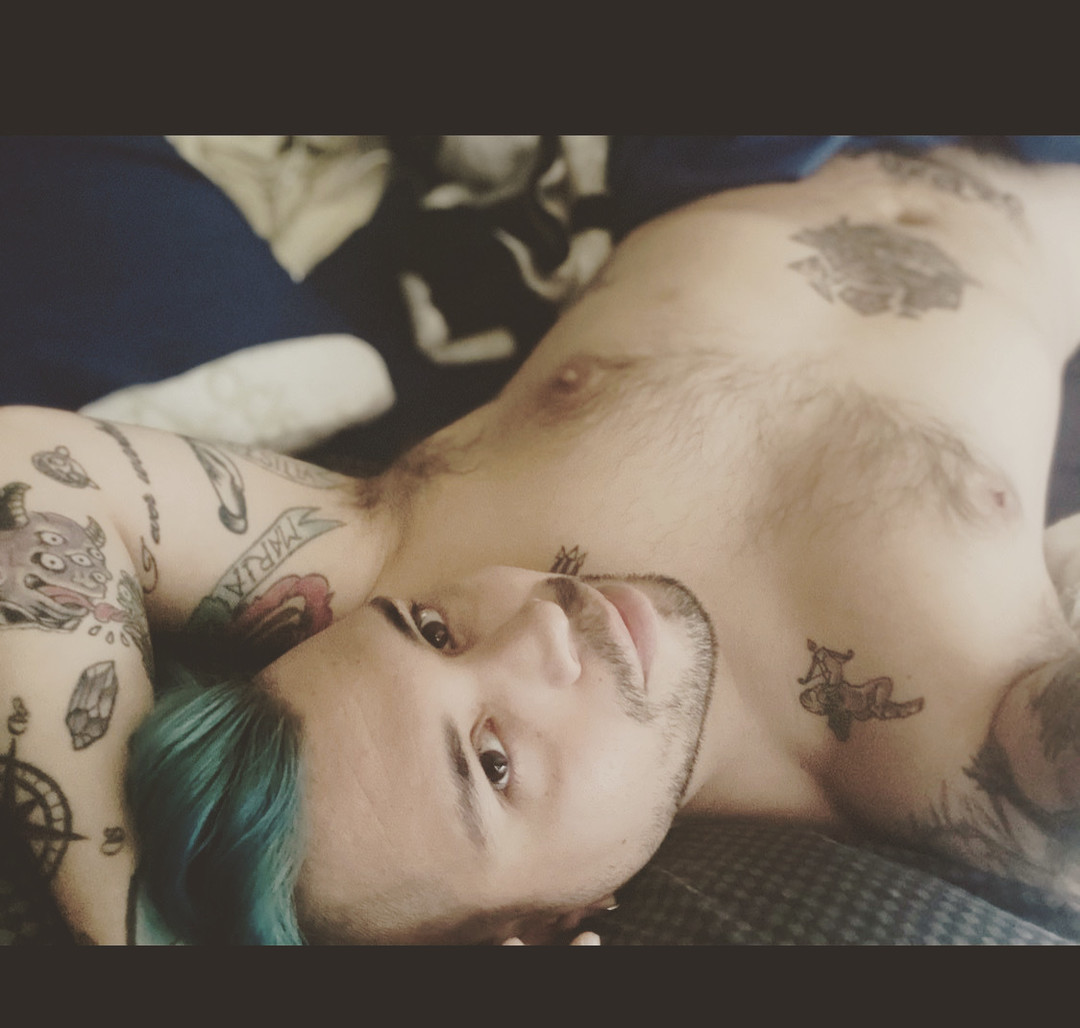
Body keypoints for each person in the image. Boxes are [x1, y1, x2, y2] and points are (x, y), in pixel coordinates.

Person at [6, 141, 1080, 942]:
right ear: (548, 930)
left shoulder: (388, 556)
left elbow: (28, 473)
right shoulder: (955, 776)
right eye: (494, 760)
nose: (536, 623)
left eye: (433, 631)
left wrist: (124, 917)